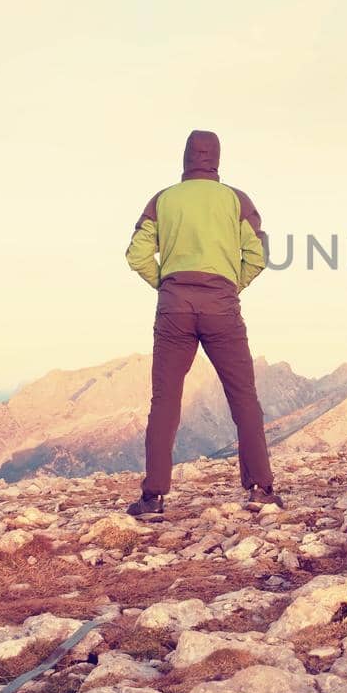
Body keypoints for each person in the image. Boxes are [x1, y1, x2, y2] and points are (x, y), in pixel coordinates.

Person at [124, 129, 278, 516]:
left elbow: (137, 254)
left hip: (174, 307)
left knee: (165, 401)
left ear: (185, 158)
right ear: (217, 159)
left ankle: (153, 497)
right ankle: (261, 488)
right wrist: (230, 284)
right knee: (243, 397)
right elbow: (257, 255)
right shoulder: (235, 200)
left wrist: (167, 285)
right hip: (222, 305)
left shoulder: (163, 200)